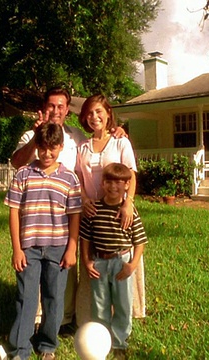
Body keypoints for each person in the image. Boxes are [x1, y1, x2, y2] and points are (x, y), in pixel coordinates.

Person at [11, 87, 126, 330]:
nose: (56, 110)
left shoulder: (75, 137)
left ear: (67, 111)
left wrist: (116, 130)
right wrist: (36, 136)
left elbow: (98, 146)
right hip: (37, 216)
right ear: (44, 108)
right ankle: (34, 318)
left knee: (65, 266)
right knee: (34, 269)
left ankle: (63, 318)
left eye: (61, 106)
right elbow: (17, 162)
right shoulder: (28, 135)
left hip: (70, 212)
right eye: (51, 105)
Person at [4, 122, 82, 360]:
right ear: (36, 146)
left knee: (54, 299)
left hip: (58, 248)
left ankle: (48, 345)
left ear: (61, 146)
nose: (47, 154)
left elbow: (74, 216)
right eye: (43, 148)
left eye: (53, 148)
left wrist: (72, 248)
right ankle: (20, 349)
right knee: (26, 297)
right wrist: (17, 249)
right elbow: (14, 212)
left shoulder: (70, 178)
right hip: (29, 248)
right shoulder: (23, 174)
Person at [74, 94, 146, 325]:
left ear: (107, 114)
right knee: (93, 265)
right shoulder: (82, 146)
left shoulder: (120, 142)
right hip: (92, 212)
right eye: (90, 113)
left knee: (119, 261)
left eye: (99, 112)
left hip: (117, 210)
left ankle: (124, 317)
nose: (94, 117)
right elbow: (78, 177)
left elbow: (131, 174)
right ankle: (93, 319)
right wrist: (84, 199)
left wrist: (128, 202)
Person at [79, 163, 147, 360]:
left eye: (118, 183)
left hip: (121, 262)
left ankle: (120, 343)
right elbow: (86, 238)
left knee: (122, 304)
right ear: (102, 183)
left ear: (127, 185)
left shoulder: (129, 211)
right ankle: (102, 340)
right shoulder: (94, 209)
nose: (113, 187)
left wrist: (132, 265)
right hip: (99, 261)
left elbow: (140, 241)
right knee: (99, 305)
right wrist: (86, 260)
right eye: (109, 182)